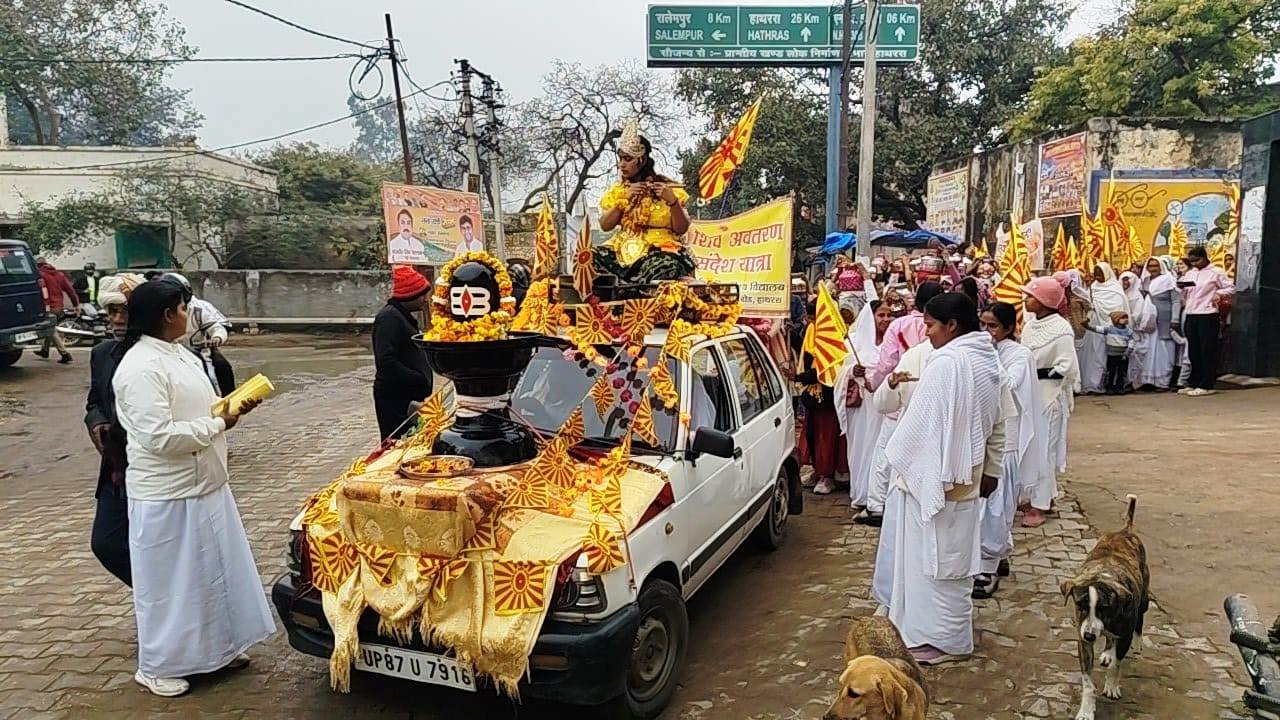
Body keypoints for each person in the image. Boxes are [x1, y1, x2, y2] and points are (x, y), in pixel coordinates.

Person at [112, 279, 273, 697]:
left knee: (211, 574)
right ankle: (158, 664)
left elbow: (198, 406)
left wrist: (230, 405)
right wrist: (219, 423)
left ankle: (215, 650)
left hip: (205, 485)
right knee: (170, 586)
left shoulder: (179, 354)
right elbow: (159, 436)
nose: (189, 315)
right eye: (184, 308)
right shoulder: (139, 367)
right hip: (168, 493)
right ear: (168, 314)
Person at [872, 292, 1008, 665]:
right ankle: (936, 634)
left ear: (952, 325)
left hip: (933, 481)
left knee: (932, 565)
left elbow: (920, 429)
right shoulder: (984, 359)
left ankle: (939, 640)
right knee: (948, 563)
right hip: (961, 478)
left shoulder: (947, 363)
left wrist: (904, 458)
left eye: (930, 324)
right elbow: (994, 421)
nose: (926, 332)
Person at [976, 302, 1049, 597]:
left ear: (1008, 328)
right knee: (983, 505)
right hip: (981, 436)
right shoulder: (982, 351)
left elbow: (1009, 383)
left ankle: (987, 567)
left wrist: (984, 363)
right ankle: (999, 553)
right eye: (983, 324)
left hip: (1006, 440)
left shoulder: (1018, 354)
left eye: (993, 326)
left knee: (996, 504)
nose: (987, 332)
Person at [85, 273, 144, 587]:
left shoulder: (159, 352)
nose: (118, 319)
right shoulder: (101, 354)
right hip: (117, 468)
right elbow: (94, 401)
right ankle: (156, 594)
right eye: (112, 312)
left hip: (155, 468)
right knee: (106, 543)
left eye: (126, 310)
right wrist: (97, 422)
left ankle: (170, 608)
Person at [597, 121, 695, 283]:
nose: (622, 164)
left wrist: (673, 202)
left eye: (628, 159)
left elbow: (682, 228)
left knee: (664, 266)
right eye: (620, 158)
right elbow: (605, 225)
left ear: (641, 160)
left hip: (658, 251)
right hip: (622, 250)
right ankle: (620, 286)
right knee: (588, 257)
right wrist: (624, 199)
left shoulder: (668, 188)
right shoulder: (619, 190)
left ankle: (628, 289)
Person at [1019, 276, 1079, 528]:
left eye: (1031, 296)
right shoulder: (1030, 325)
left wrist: (1039, 372)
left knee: (1044, 450)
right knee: (1030, 446)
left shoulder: (1061, 330)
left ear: (1044, 301)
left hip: (1050, 396)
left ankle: (1039, 505)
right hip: (1029, 394)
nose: (1025, 300)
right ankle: (1039, 495)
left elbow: (1067, 367)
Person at [864, 297, 926, 530]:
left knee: (885, 452)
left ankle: (878, 503)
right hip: (923, 400)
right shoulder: (945, 335)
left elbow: (886, 363)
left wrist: (878, 385)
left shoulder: (899, 326)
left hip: (898, 392)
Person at [835, 301, 891, 513]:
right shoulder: (853, 343)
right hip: (860, 407)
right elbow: (839, 373)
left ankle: (878, 495)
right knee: (860, 447)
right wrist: (852, 372)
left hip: (883, 405)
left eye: (888, 315)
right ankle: (861, 493)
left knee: (880, 447)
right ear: (871, 316)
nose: (886, 319)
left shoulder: (892, 341)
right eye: (881, 315)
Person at [373, 266, 434, 440]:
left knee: (414, 440)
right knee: (397, 442)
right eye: (422, 295)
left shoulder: (402, 316)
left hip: (408, 396)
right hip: (395, 398)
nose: (425, 300)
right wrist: (417, 378)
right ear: (410, 295)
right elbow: (386, 362)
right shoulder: (389, 318)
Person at [797, 300, 849, 495]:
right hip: (813, 397)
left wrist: (797, 377)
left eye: (813, 318)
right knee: (812, 436)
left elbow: (823, 370)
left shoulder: (835, 339)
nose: (810, 322)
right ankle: (818, 471)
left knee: (826, 438)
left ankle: (827, 475)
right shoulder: (811, 332)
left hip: (828, 398)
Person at [162, 273, 235, 397]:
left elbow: (217, 328)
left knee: (215, 381)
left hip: (200, 358)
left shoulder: (199, 309)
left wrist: (216, 339)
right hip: (170, 359)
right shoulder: (157, 312)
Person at [1178, 246, 1234, 397]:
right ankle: (1195, 381)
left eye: (1196, 260)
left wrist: (1218, 294)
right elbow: (1184, 292)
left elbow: (1231, 287)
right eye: (1191, 261)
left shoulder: (1216, 272)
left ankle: (1207, 383)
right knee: (1193, 349)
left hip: (1208, 313)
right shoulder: (1190, 273)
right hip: (1191, 312)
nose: (1194, 264)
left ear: (1204, 258)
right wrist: (1181, 287)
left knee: (1207, 349)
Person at [869, 281, 945, 389]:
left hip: (904, 384)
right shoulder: (945, 326)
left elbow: (887, 363)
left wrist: (874, 384)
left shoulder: (898, 324)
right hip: (936, 381)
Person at [1079, 262, 1128, 394]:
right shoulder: (1093, 288)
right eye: (1096, 273)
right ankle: (1094, 384)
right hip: (1096, 327)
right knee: (1095, 355)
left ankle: (1113, 385)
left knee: (1113, 360)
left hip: (1113, 329)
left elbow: (1119, 310)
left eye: (1100, 273)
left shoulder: (1115, 289)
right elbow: (1090, 307)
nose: (1098, 276)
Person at [34, 256, 78, 363]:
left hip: (48, 307)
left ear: (37, 266)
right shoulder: (59, 275)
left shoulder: (40, 275)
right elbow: (70, 291)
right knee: (49, 327)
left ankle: (65, 354)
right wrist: (76, 305)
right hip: (59, 306)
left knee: (51, 329)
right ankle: (45, 350)